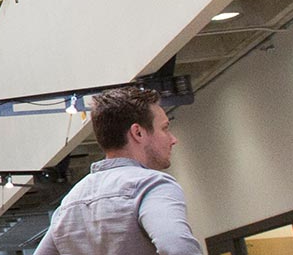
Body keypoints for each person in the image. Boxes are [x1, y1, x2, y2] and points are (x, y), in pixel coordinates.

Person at [33, 87, 200, 255]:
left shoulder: (69, 203)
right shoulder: (152, 185)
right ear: (138, 133)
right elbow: (177, 247)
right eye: (164, 128)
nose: (173, 139)